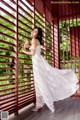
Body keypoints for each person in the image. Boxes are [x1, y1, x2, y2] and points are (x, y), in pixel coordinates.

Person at [22, 27, 79, 113]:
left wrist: (23, 51)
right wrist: (28, 43)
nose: (33, 32)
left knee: (39, 83)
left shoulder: (34, 40)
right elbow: (33, 47)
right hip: (39, 62)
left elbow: (32, 53)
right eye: (33, 30)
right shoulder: (34, 40)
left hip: (37, 64)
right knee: (41, 83)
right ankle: (39, 104)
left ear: (37, 34)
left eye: (35, 32)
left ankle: (39, 105)